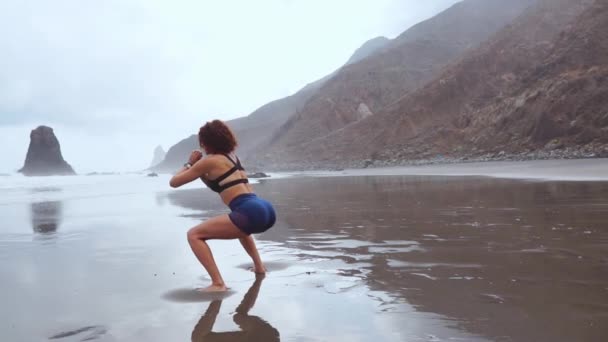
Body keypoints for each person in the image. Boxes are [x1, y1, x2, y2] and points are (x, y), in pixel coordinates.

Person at [170, 120, 276, 292]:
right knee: (242, 229)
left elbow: (174, 182)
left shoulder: (209, 161)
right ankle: (259, 267)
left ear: (206, 142)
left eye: (202, 143)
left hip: (250, 210)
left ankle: (218, 284)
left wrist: (189, 163)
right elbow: (217, 182)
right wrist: (199, 169)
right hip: (265, 208)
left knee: (194, 235)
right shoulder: (233, 157)